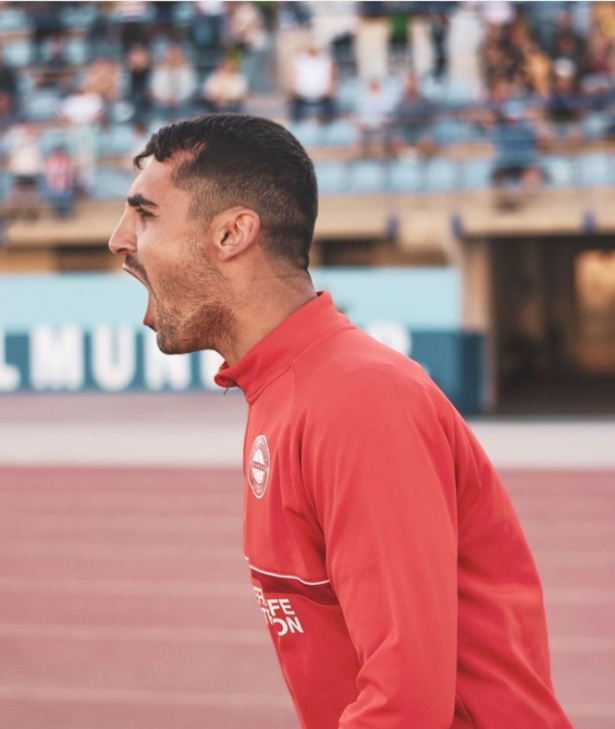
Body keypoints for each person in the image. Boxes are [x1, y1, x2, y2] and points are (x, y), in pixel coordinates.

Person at [108, 114, 574, 729]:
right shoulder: (282, 389)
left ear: (232, 234)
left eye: (144, 214)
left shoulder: (358, 399)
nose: (120, 240)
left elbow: (405, 706)